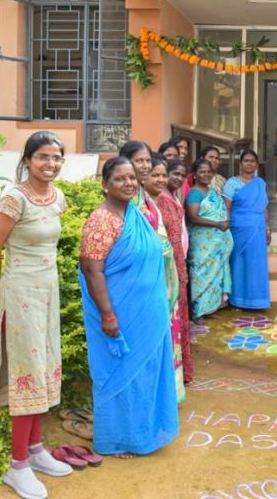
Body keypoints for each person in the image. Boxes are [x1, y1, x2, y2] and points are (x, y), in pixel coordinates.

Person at [0, 131, 73, 498]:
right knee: (27, 374)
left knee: (43, 370)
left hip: (47, 293)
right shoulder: (13, 199)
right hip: (19, 295)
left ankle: (35, 451)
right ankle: (16, 466)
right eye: (43, 157)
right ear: (27, 160)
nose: (50, 164)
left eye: (56, 157)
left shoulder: (58, 198)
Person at [78, 157, 179, 457]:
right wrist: (108, 315)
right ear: (105, 184)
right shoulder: (101, 220)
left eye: (133, 178)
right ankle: (120, 438)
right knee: (124, 375)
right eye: (120, 179)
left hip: (147, 313)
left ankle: (143, 431)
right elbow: (91, 270)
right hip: (120, 315)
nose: (129, 184)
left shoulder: (134, 214)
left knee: (146, 374)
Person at [139, 157, 187, 404]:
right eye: (153, 174)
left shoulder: (158, 203)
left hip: (169, 281)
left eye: (162, 175)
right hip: (150, 282)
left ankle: (170, 391)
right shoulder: (140, 207)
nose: (159, 179)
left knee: (172, 334)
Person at [157, 159, 194, 383]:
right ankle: (170, 375)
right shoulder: (160, 200)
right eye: (174, 174)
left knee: (180, 316)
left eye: (182, 175)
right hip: (168, 266)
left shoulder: (174, 197)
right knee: (172, 316)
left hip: (179, 262)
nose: (177, 178)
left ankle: (181, 373)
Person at [185, 157, 233, 321]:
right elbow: (193, 217)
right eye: (202, 172)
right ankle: (198, 311)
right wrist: (218, 224)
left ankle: (210, 309)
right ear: (195, 175)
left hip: (217, 245)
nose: (206, 174)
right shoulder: (194, 194)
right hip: (202, 244)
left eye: (208, 172)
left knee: (214, 274)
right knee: (201, 274)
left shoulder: (213, 192)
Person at [222, 149, 271, 310]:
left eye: (252, 161)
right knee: (239, 263)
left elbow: (263, 207)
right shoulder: (232, 183)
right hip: (239, 228)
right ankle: (238, 299)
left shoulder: (260, 183)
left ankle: (258, 300)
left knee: (256, 263)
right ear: (240, 163)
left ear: (256, 164)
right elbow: (226, 208)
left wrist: (268, 228)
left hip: (257, 228)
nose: (249, 164)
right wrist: (225, 226)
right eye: (246, 161)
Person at [119, 140, 155, 204]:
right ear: (125, 162)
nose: (146, 166)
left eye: (148, 161)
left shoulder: (142, 192)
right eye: (139, 161)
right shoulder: (120, 193)